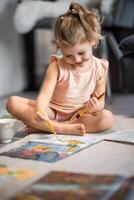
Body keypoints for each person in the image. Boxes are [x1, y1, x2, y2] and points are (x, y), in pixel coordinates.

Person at [6, 2, 113, 136]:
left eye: (81, 53)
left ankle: (48, 127)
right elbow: (44, 95)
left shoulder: (101, 67)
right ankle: (59, 127)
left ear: (92, 41)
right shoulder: (56, 66)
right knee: (12, 102)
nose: (76, 60)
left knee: (107, 118)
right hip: (53, 112)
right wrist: (41, 111)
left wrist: (95, 107)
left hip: (80, 115)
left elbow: (100, 99)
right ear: (60, 49)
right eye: (68, 55)